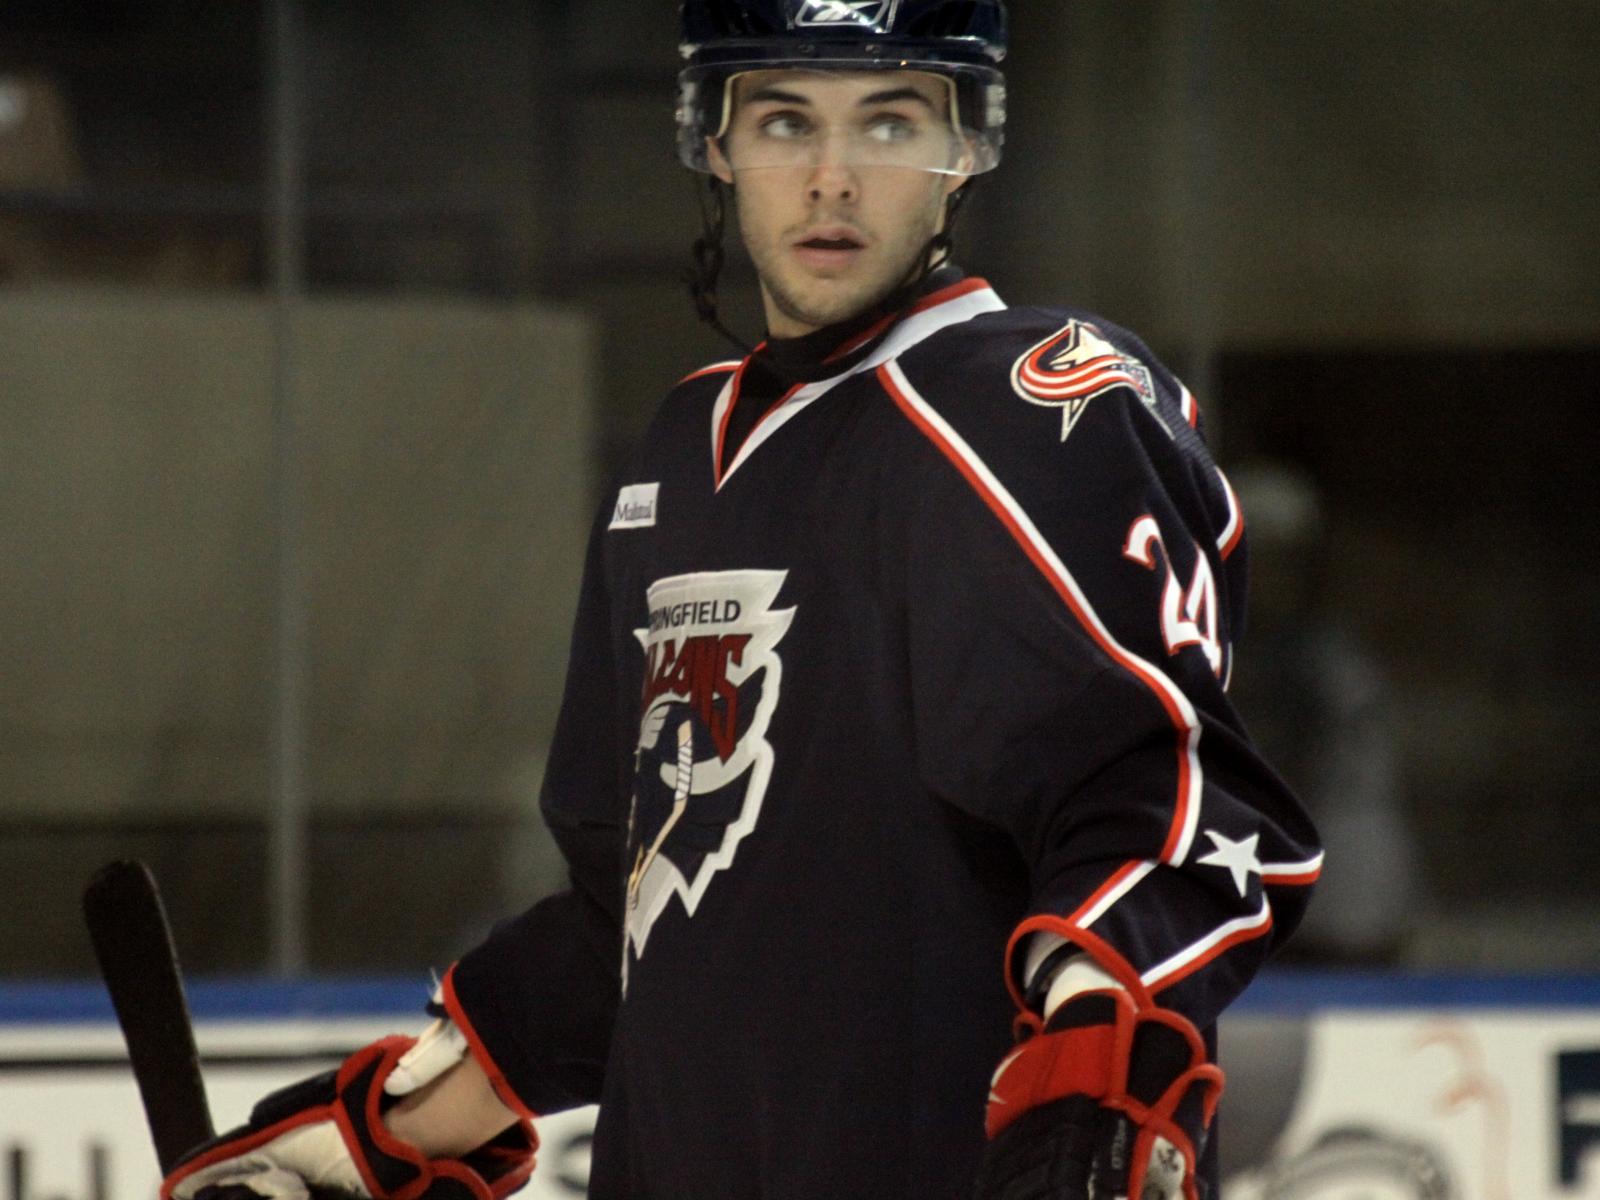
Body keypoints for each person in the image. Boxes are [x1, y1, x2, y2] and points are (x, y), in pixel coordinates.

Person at [162, 3, 1322, 1198]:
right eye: (782, 122)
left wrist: (1094, 1078)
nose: (831, 177)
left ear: (969, 143)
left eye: (889, 122)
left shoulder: (1029, 407)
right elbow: (645, 915)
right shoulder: (679, 455)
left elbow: (1160, 801)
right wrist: (386, 1133)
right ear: (710, 142)